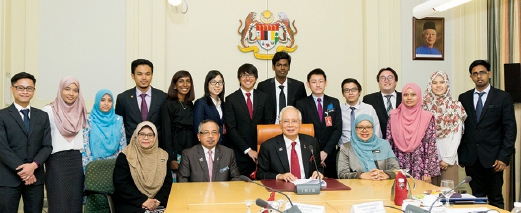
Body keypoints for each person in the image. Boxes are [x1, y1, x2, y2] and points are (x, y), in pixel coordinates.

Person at [458, 60, 516, 209]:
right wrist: (461, 154)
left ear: (489, 74)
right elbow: (459, 128)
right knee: (476, 199)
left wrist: (504, 157)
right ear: (471, 77)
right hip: (471, 158)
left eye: (482, 72)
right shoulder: (463, 98)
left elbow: (510, 129)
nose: (479, 76)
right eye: (475, 73)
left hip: (494, 159)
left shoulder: (503, 97)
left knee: (495, 198)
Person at [0, 72, 52, 213]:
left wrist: (33, 166)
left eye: (29, 88)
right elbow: (2, 148)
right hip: (8, 179)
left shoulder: (42, 116)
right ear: (12, 89)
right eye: (20, 88)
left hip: (35, 179)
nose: (25, 91)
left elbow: (47, 146)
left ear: (34, 91)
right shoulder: (2, 115)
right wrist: (25, 171)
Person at [42, 76, 87, 212]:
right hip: (56, 162)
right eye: (67, 89)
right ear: (60, 90)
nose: (71, 93)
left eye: (75, 90)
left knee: (75, 204)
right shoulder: (49, 110)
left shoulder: (81, 110)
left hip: (76, 161)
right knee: (58, 204)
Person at [225, 63, 274, 177]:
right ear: (239, 78)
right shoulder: (231, 99)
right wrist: (248, 150)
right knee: (240, 188)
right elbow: (231, 128)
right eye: (244, 75)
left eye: (251, 75)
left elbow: (269, 124)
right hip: (240, 154)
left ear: (256, 78)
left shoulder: (264, 97)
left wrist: (261, 150)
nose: (247, 78)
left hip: (262, 153)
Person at [112, 121, 172, 213]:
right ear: (136, 136)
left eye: (150, 135)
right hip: (131, 202)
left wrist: (158, 200)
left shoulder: (163, 155)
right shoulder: (126, 155)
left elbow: (167, 183)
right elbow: (121, 184)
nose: (146, 138)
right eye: (142, 134)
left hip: (158, 202)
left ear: (155, 137)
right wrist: (143, 200)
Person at [386, 83, 440, 183]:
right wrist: (389, 170)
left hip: (419, 165)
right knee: (398, 195)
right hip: (397, 165)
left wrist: (427, 172)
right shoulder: (394, 116)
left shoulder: (426, 117)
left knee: (419, 195)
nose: (409, 98)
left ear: (419, 96)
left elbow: (430, 145)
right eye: (406, 95)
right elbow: (388, 144)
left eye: (413, 95)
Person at [422, 71, 467, 186]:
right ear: (429, 85)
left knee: (448, 197)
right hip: (427, 161)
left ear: (447, 84)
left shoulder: (455, 106)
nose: (438, 86)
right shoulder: (423, 107)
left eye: (442, 82)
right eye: (434, 82)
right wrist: (428, 159)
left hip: (448, 160)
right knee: (429, 196)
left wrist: (447, 159)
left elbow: (457, 136)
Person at [295, 68, 342, 179]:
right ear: (308, 84)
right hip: (309, 154)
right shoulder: (301, 103)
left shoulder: (334, 102)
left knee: (331, 187)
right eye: (314, 82)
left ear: (326, 83)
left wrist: (326, 152)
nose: (318, 85)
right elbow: (301, 129)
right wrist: (316, 154)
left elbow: (338, 129)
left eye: (321, 81)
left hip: (330, 153)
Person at [257, 106, 324, 181]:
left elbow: (319, 167)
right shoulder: (268, 146)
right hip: (282, 189)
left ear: (300, 123)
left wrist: (318, 172)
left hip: (307, 188)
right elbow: (260, 174)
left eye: (294, 121)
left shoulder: (311, 142)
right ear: (280, 124)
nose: (290, 125)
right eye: (286, 121)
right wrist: (279, 176)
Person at [115, 59, 167, 144]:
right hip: (131, 148)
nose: (144, 77)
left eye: (147, 74)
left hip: (156, 148)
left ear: (152, 75)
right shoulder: (123, 98)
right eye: (139, 74)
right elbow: (119, 127)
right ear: (133, 76)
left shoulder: (163, 97)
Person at [337, 114, 399, 180]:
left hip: (382, 185)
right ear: (355, 129)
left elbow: (396, 169)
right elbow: (342, 174)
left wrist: (386, 175)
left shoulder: (384, 145)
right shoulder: (346, 148)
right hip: (357, 188)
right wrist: (361, 175)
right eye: (360, 127)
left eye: (368, 127)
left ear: (373, 128)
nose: (364, 130)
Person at [82, 89, 127, 172]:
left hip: (114, 165)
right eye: (102, 100)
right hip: (94, 165)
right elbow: (86, 147)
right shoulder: (89, 120)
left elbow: (123, 145)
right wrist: (91, 167)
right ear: (97, 101)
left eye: (109, 101)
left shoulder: (118, 120)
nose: (106, 104)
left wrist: (119, 165)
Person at [257, 51, 307, 123]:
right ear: (273, 67)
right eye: (279, 65)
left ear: (289, 67)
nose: (282, 68)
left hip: (291, 127)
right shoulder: (263, 86)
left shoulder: (298, 86)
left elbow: (303, 109)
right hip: (270, 127)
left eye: (285, 65)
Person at [161, 70, 196, 171]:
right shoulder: (168, 104)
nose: (185, 84)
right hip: (174, 149)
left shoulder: (190, 105)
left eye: (188, 81)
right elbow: (166, 133)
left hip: (189, 148)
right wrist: (170, 159)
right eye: (181, 81)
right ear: (175, 85)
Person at [338, 78, 381, 147]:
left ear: (359, 92)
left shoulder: (369, 109)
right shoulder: (339, 110)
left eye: (354, 90)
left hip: (366, 148)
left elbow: (377, 131)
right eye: (347, 90)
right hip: (344, 149)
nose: (350, 93)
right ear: (343, 93)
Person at [363, 67, 402, 138]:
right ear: (378, 82)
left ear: (396, 82)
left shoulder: (405, 98)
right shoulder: (369, 99)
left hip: (402, 142)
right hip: (378, 142)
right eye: (383, 78)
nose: (386, 80)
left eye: (390, 77)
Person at [193, 70, 228, 147]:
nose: (217, 85)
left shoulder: (224, 104)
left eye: (220, 82)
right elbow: (197, 128)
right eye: (213, 82)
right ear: (207, 84)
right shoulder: (200, 103)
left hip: (223, 146)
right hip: (206, 146)